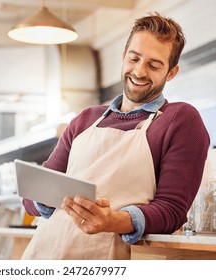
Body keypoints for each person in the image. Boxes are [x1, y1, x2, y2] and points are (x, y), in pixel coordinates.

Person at [21, 12, 210, 260]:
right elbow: (31, 198)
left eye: (154, 65)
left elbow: (172, 210)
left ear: (171, 72)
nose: (140, 72)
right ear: (123, 57)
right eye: (134, 58)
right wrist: (46, 198)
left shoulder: (180, 120)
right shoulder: (85, 119)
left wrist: (114, 220)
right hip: (44, 254)